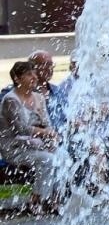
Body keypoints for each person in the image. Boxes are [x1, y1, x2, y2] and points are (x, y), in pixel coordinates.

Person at [0, 60, 62, 209]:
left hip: (36, 144)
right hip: (14, 148)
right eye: (29, 74)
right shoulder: (11, 100)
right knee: (47, 160)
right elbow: (21, 129)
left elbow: (47, 123)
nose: (34, 77)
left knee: (62, 155)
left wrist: (51, 137)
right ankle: (37, 200)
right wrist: (45, 133)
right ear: (17, 79)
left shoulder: (38, 97)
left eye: (34, 73)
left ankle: (55, 198)